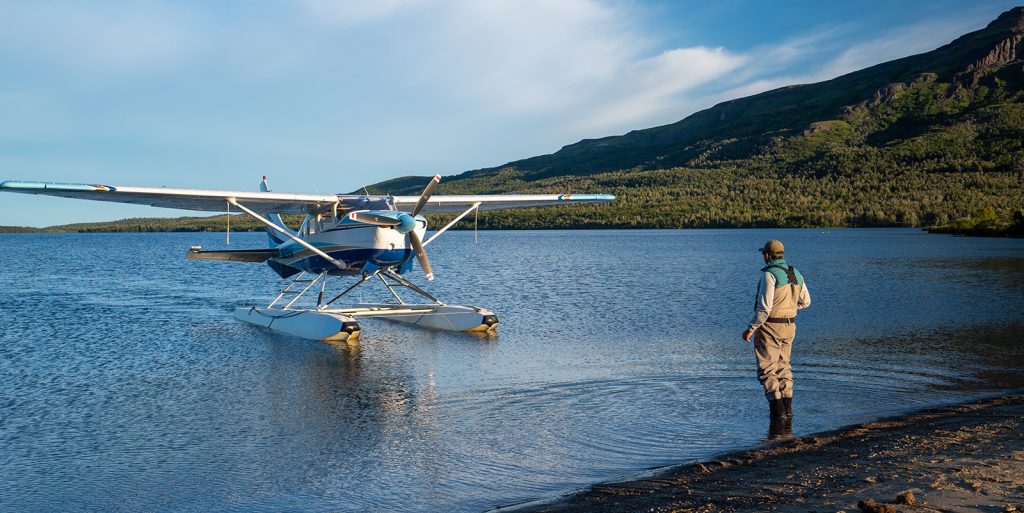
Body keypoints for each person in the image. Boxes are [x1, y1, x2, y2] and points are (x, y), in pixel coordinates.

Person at [742, 240, 811, 419]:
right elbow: (806, 302)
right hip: (790, 326)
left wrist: (751, 328)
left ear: (767, 256)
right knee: (784, 368)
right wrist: (789, 310)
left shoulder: (769, 275)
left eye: (763, 254)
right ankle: (788, 413)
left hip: (770, 327)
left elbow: (764, 308)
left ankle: (778, 415)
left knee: (767, 371)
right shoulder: (795, 272)